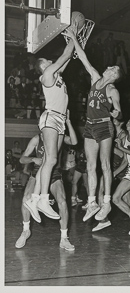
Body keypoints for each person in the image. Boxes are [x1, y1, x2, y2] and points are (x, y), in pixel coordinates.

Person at [64, 26, 123, 223]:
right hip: (89, 126)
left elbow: (118, 110)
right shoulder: (96, 78)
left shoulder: (113, 89)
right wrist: (73, 37)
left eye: (112, 69)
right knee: (90, 165)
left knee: (105, 164)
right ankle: (91, 202)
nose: (109, 68)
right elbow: (83, 58)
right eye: (110, 67)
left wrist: (117, 112)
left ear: (114, 75)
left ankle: (106, 201)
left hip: (104, 126)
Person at [24, 25, 76, 220]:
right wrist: (73, 35)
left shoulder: (56, 75)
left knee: (49, 160)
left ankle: (34, 197)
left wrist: (72, 45)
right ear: (43, 66)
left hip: (60, 120)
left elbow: (67, 59)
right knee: (52, 160)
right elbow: (64, 56)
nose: (50, 60)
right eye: (46, 60)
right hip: (51, 117)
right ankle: (44, 199)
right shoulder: (46, 76)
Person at [15, 112, 77, 250]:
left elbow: (74, 141)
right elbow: (22, 159)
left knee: (62, 201)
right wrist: (33, 159)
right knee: (26, 198)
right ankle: (26, 230)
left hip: (54, 174)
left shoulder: (59, 137)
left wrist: (68, 122)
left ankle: (64, 238)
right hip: (38, 172)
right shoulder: (36, 139)